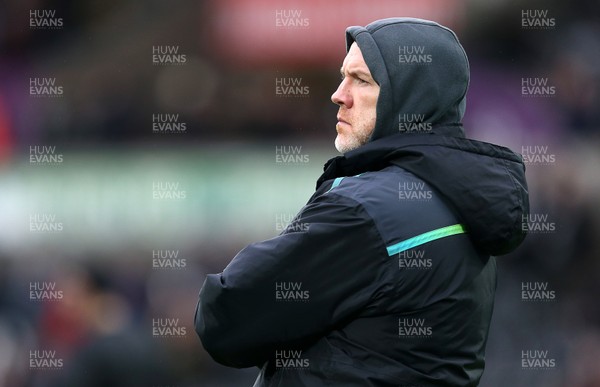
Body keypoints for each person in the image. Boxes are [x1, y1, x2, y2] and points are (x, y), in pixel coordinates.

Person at [195, 17, 529, 386]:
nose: (339, 94)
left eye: (361, 80)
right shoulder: (463, 201)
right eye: (343, 76)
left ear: (410, 98)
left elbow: (227, 316)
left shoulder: (365, 210)